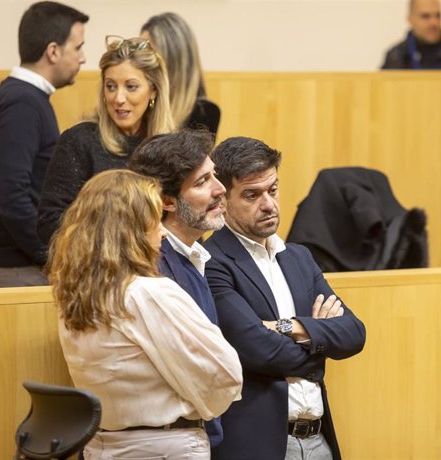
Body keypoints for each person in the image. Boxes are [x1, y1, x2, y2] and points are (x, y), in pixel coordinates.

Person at [49, 169, 242, 459]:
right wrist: (202, 406)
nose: (163, 231)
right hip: (164, 446)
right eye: (154, 221)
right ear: (132, 230)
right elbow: (225, 374)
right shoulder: (148, 293)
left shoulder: (74, 297)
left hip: (102, 446)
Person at [204, 137, 366, 460]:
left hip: (320, 440)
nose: (268, 204)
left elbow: (354, 333)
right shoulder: (213, 262)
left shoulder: (299, 257)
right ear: (222, 199)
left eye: (273, 190)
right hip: (261, 445)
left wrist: (287, 327)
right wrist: (319, 344)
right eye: (252, 195)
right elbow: (258, 349)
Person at [128, 129, 228, 448]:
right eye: (202, 182)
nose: (220, 189)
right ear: (167, 201)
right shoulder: (154, 267)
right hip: (165, 442)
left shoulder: (192, 255)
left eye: (215, 176)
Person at [0, 1, 88, 288]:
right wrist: (53, 256)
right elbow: (9, 197)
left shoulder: (24, 99)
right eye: (77, 47)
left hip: (21, 265)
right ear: (53, 51)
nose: (83, 58)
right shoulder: (22, 103)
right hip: (18, 269)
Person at [37, 35, 175, 244]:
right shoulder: (79, 141)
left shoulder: (171, 148)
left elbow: (184, 223)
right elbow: (49, 222)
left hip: (160, 269)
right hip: (96, 269)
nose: (118, 98)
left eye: (131, 87)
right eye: (111, 86)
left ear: (153, 90)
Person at [141, 12, 221, 134]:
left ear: (174, 60)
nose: (139, 60)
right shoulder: (135, 102)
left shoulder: (204, 113)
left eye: (149, 53)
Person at [381, 0, 441, 70]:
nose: (433, 23)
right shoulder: (396, 58)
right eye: (425, 16)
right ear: (410, 19)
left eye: (438, 16)